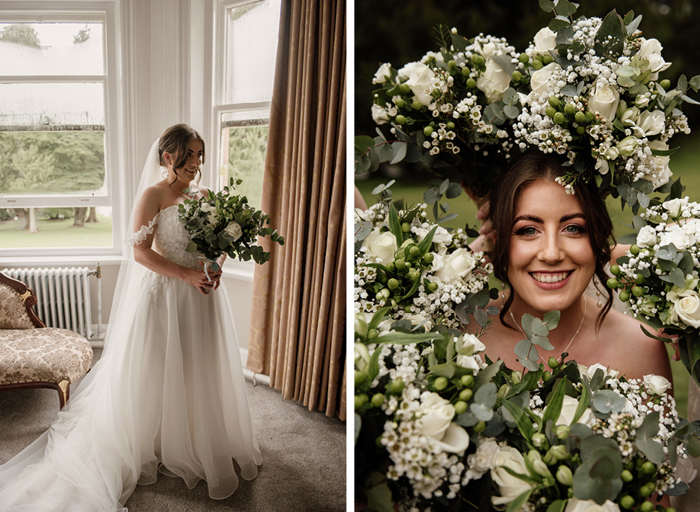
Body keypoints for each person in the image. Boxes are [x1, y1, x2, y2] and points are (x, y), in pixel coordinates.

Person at [0, 124, 262, 511]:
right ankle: (154, 438)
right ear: (169, 156)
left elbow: (220, 243)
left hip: (202, 298)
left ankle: (196, 434)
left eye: (200, 154)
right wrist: (187, 274)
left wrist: (215, 267)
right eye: (190, 154)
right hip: (165, 296)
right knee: (158, 366)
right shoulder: (153, 195)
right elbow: (140, 253)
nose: (197, 162)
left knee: (198, 365)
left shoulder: (207, 195)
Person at [477, 151, 673, 383]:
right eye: (528, 230)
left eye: (573, 228)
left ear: (597, 238)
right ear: (498, 240)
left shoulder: (642, 347)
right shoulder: (460, 334)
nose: (551, 254)